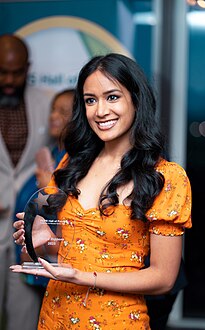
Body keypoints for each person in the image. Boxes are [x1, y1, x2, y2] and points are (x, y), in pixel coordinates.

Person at [11, 53, 192, 329]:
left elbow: (164, 278)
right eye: (90, 100)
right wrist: (39, 243)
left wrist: (83, 277)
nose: (100, 111)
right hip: (55, 314)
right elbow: (47, 256)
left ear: (135, 98)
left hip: (116, 319)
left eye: (112, 97)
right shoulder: (72, 162)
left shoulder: (165, 177)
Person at [0, 34, 54, 330]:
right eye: (2, 71)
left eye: (16, 72)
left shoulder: (46, 102)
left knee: (23, 318)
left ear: (28, 68)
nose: (9, 79)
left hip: (28, 229)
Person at [14, 88, 75, 287]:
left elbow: (69, 217)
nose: (54, 116)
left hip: (54, 266)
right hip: (31, 262)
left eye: (63, 111)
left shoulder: (74, 162)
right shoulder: (47, 154)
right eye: (53, 110)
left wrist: (49, 188)